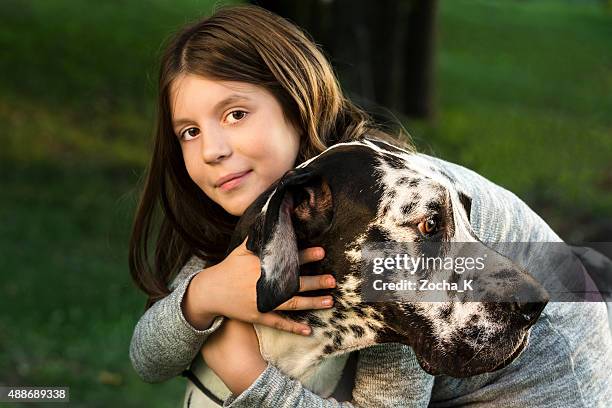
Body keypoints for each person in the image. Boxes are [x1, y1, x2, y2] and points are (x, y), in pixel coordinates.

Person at [128, 5, 612, 407]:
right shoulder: (276, 202)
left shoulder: (383, 206)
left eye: (236, 114)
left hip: (552, 375)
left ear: (297, 106)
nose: (212, 148)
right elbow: (148, 358)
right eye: (189, 131)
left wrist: (249, 376)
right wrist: (203, 294)